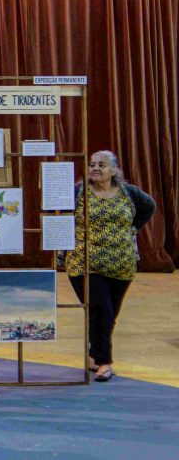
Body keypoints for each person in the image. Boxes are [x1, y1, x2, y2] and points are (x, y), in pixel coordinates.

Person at [64, 151, 155, 382]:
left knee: (108, 313)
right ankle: (105, 363)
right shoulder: (78, 192)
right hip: (85, 262)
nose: (95, 168)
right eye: (92, 164)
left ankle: (95, 355)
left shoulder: (129, 192)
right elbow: (59, 216)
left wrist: (135, 227)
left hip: (122, 264)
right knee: (101, 309)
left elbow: (149, 207)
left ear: (114, 170)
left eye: (101, 165)